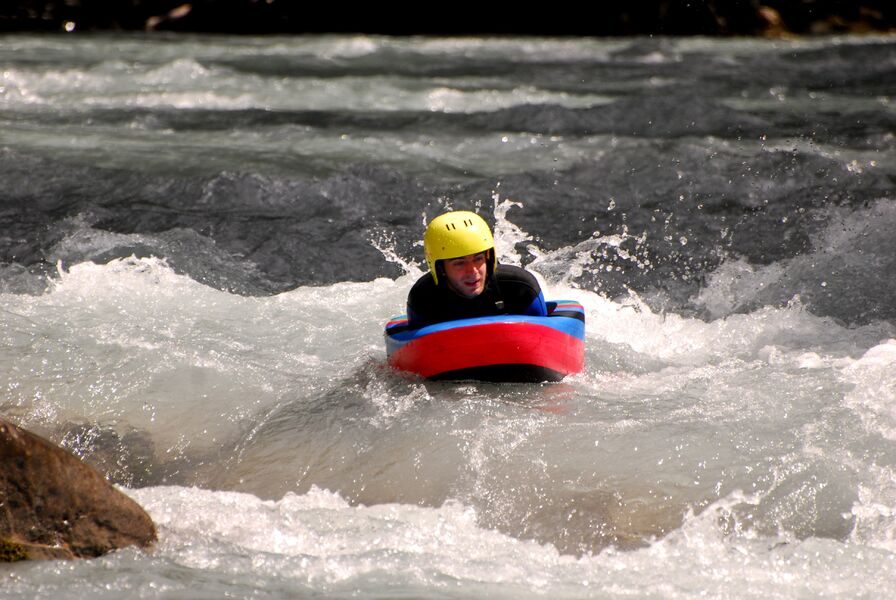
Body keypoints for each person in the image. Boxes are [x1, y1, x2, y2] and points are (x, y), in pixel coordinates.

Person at [406, 210, 548, 328]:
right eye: (459, 263)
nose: (473, 271)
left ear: (488, 258)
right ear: (441, 268)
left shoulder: (520, 288)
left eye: (478, 259)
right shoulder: (423, 299)